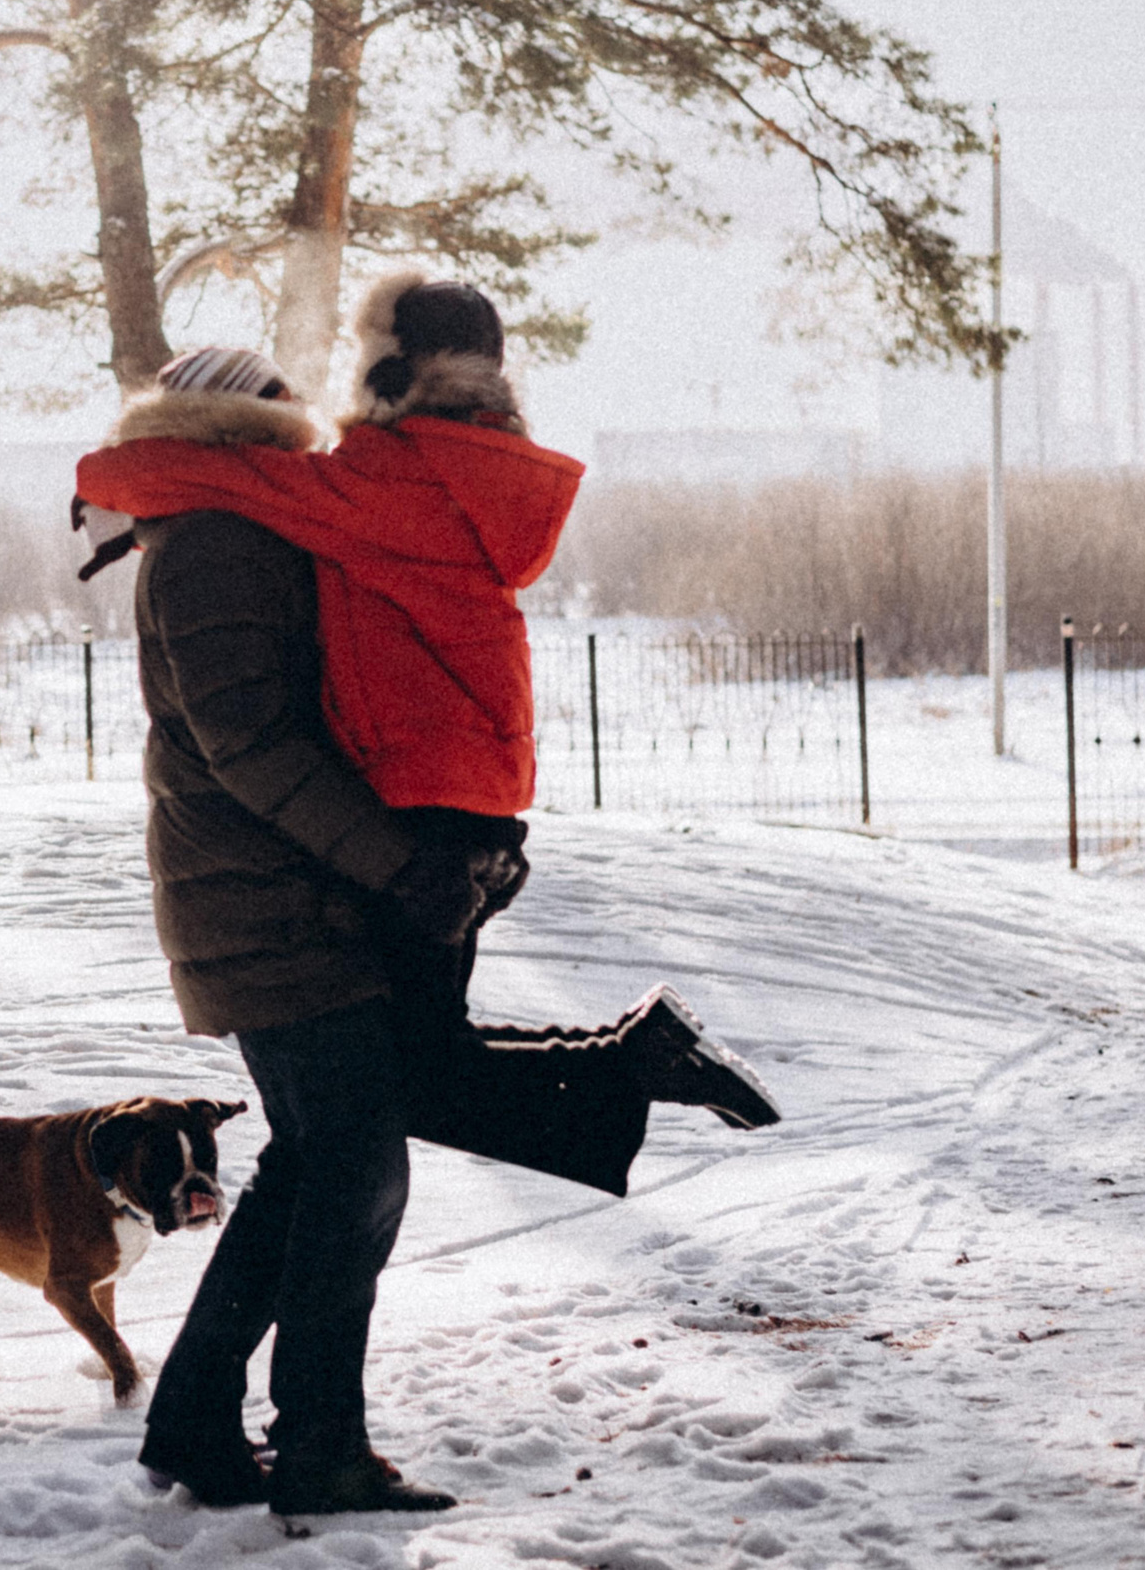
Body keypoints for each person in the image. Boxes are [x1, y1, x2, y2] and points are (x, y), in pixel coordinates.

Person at [81, 283, 779, 1517]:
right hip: (268, 905)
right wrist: (397, 864)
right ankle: (318, 1448)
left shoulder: (225, 531)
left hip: (286, 897)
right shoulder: (218, 544)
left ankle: (195, 1422)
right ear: (244, 434)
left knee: (319, 1162)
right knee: (355, 1173)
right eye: (284, 423)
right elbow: (252, 747)